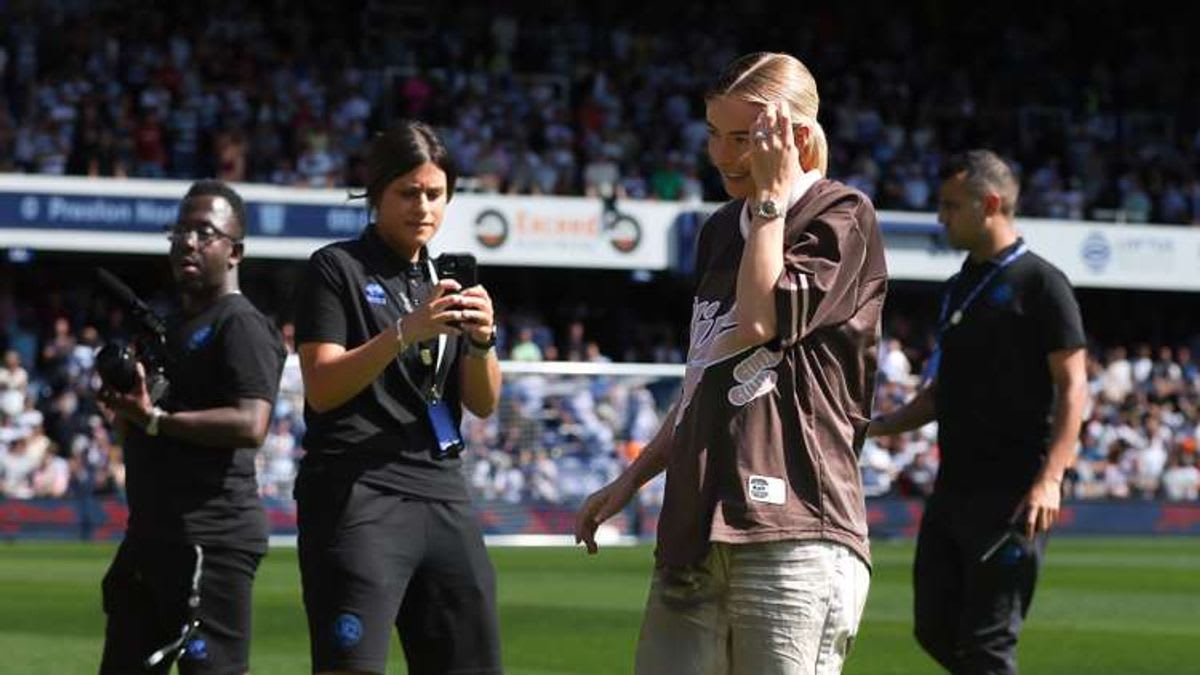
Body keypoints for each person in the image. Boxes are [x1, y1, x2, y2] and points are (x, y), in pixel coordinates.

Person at [575, 51, 887, 675]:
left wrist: (771, 201)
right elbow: (705, 375)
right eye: (715, 135)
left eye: (742, 139)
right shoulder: (719, 229)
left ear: (796, 137)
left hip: (794, 530)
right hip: (694, 529)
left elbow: (759, 322)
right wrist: (631, 481)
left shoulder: (841, 215)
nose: (721, 155)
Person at [293, 120, 502, 675]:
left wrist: (482, 341)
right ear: (377, 192)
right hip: (357, 491)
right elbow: (321, 383)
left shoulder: (443, 282)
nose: (423, 207)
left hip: (442, 491)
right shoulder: (335, 267)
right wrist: (405, 332)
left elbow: (482, 404)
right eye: (408, 193)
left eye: (436, 194)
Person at [867, 150, 1088, 674]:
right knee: (935, 628)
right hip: (953, 489)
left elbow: (1074, 387)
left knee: (987, 646)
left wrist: (1050, 478)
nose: (941, 217)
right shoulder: (957, 288)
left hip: (1014, 495)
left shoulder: (1042, 284)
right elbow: (941, 392)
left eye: (950, 206)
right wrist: (874, 428)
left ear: (989, 204)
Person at [96, 180, 286, 674]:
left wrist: (155, 420)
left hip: (210, 541)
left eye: (205, 232)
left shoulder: (239, 323)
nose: (188, 242)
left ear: (235, 251)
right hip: (152, 534)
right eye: (180, 231)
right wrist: (129, 412)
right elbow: (148, 430)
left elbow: (251, 423)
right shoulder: (172, 324)